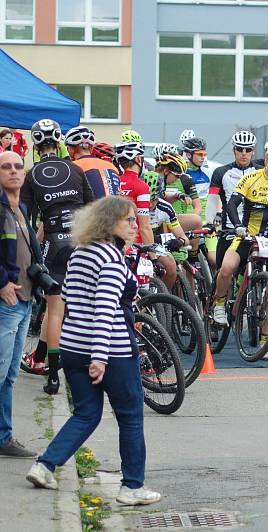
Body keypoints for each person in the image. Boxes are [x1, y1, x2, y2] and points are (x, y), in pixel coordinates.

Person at [26, 196, 162, 504]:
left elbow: (70, 300)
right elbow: (105, 311)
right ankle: (132, 486)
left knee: (86, 413)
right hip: (111, 348)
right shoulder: (111, 260)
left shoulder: (80, 254)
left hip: (73, 345)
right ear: (108, 223)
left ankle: (45, 465)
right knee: (130, 416)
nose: (133, 225)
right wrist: (100, 356)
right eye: (127, 220)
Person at [21, 119, 94, 395]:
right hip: (83, 240)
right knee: (88, 303)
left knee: (55, 311)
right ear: (59, 142)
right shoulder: (75, 169)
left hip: (54, 242)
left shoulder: (32, 175)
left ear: (36, 145)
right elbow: (92, 208)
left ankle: (52, 377)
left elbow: (25, 218)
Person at [211, 138, 268, 351]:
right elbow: (232, 204)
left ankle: (264, 343)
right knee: (226, 268)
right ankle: (220, 304)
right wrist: (238, 226)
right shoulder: (251, 178)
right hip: (246, 238)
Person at [0, 151, 41, 458]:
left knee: (10, 375)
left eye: (18, 167)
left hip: (25, 300)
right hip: (7, 301)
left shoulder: (21, 208)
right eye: (5, 167)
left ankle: (4, 437)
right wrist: (2, 282)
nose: (13, 171)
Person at [207, 132, 263, 266]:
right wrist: (210, 222)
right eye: (239, 149)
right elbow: (212, 200)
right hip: (229, 229)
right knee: (223, 272)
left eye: (248, 149)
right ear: (234, 150)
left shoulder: (261, 172)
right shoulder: (221, 172)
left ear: (253, 151)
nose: (244, 153)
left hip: (255, 230)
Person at [65, 126, 120, 198]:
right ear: (91, 148)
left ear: (71, 149)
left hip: (92, 208)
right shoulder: (111, 166)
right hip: (116, 207)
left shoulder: (72, 167)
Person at [181, 136, 212, 210]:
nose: (203, 157)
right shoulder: (180, 174)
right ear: (189, 155)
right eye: (199, 154)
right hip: (186, 217)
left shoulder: (208, 173)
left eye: (205, 154)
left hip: (205, 218)